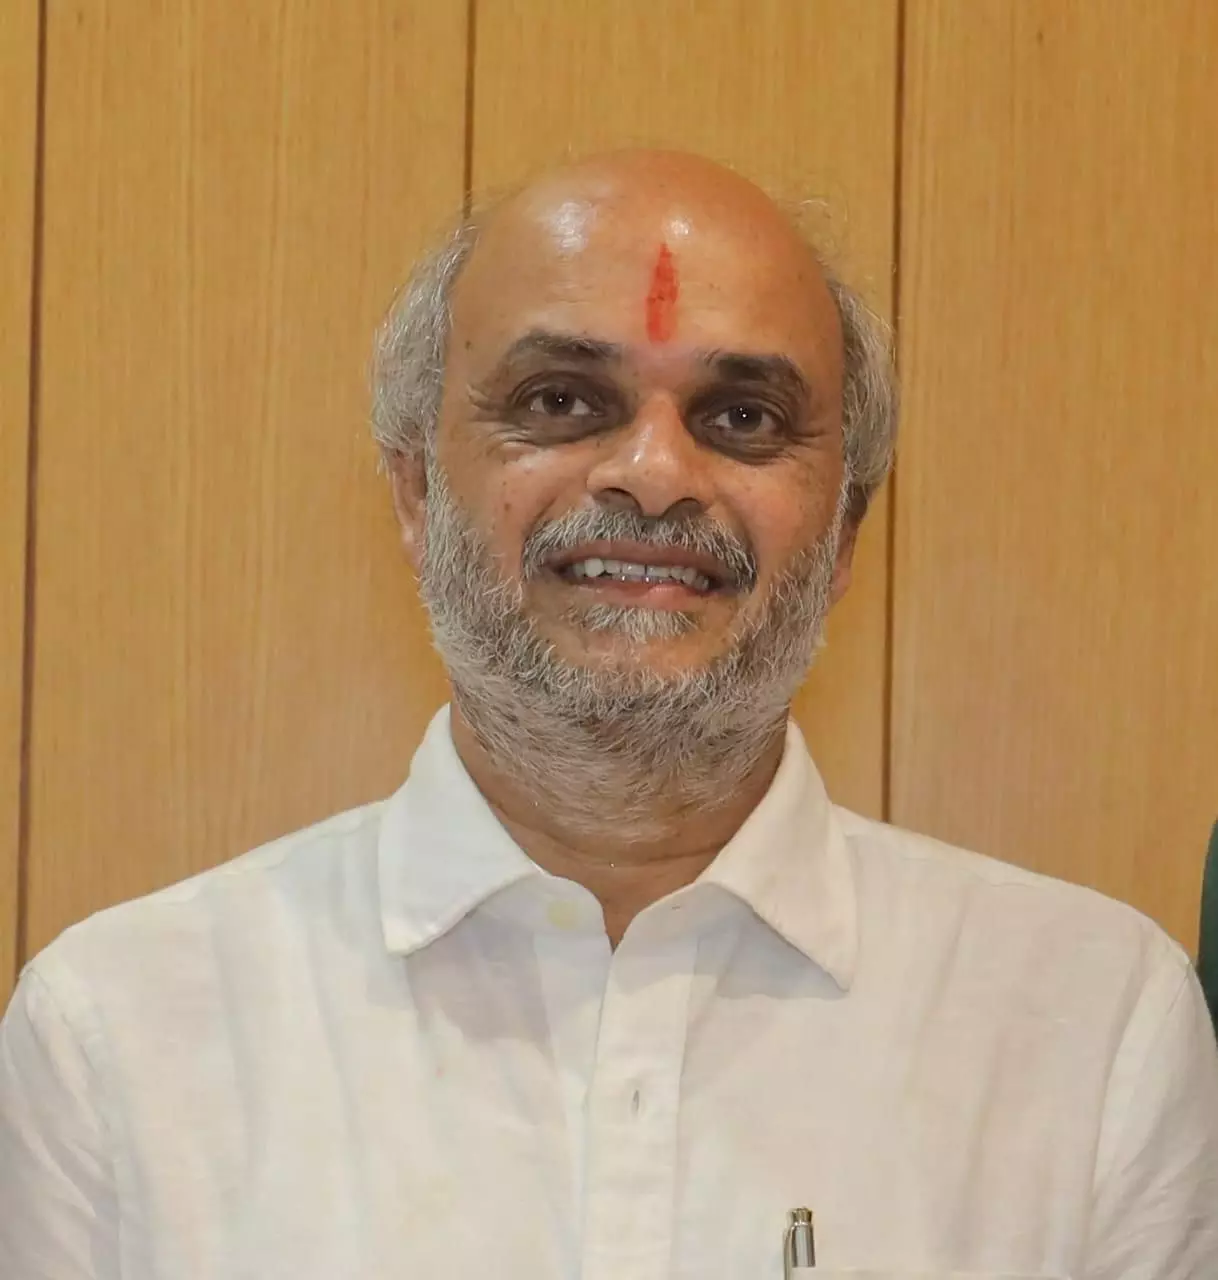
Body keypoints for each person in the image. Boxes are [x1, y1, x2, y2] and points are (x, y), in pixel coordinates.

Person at [1, 148, 1215, 1279]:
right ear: (415, 491)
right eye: (561, 400)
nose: (654, 473)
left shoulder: (1088, 1027)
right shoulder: (121, 1037)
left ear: (846, 527)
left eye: (742, 417)